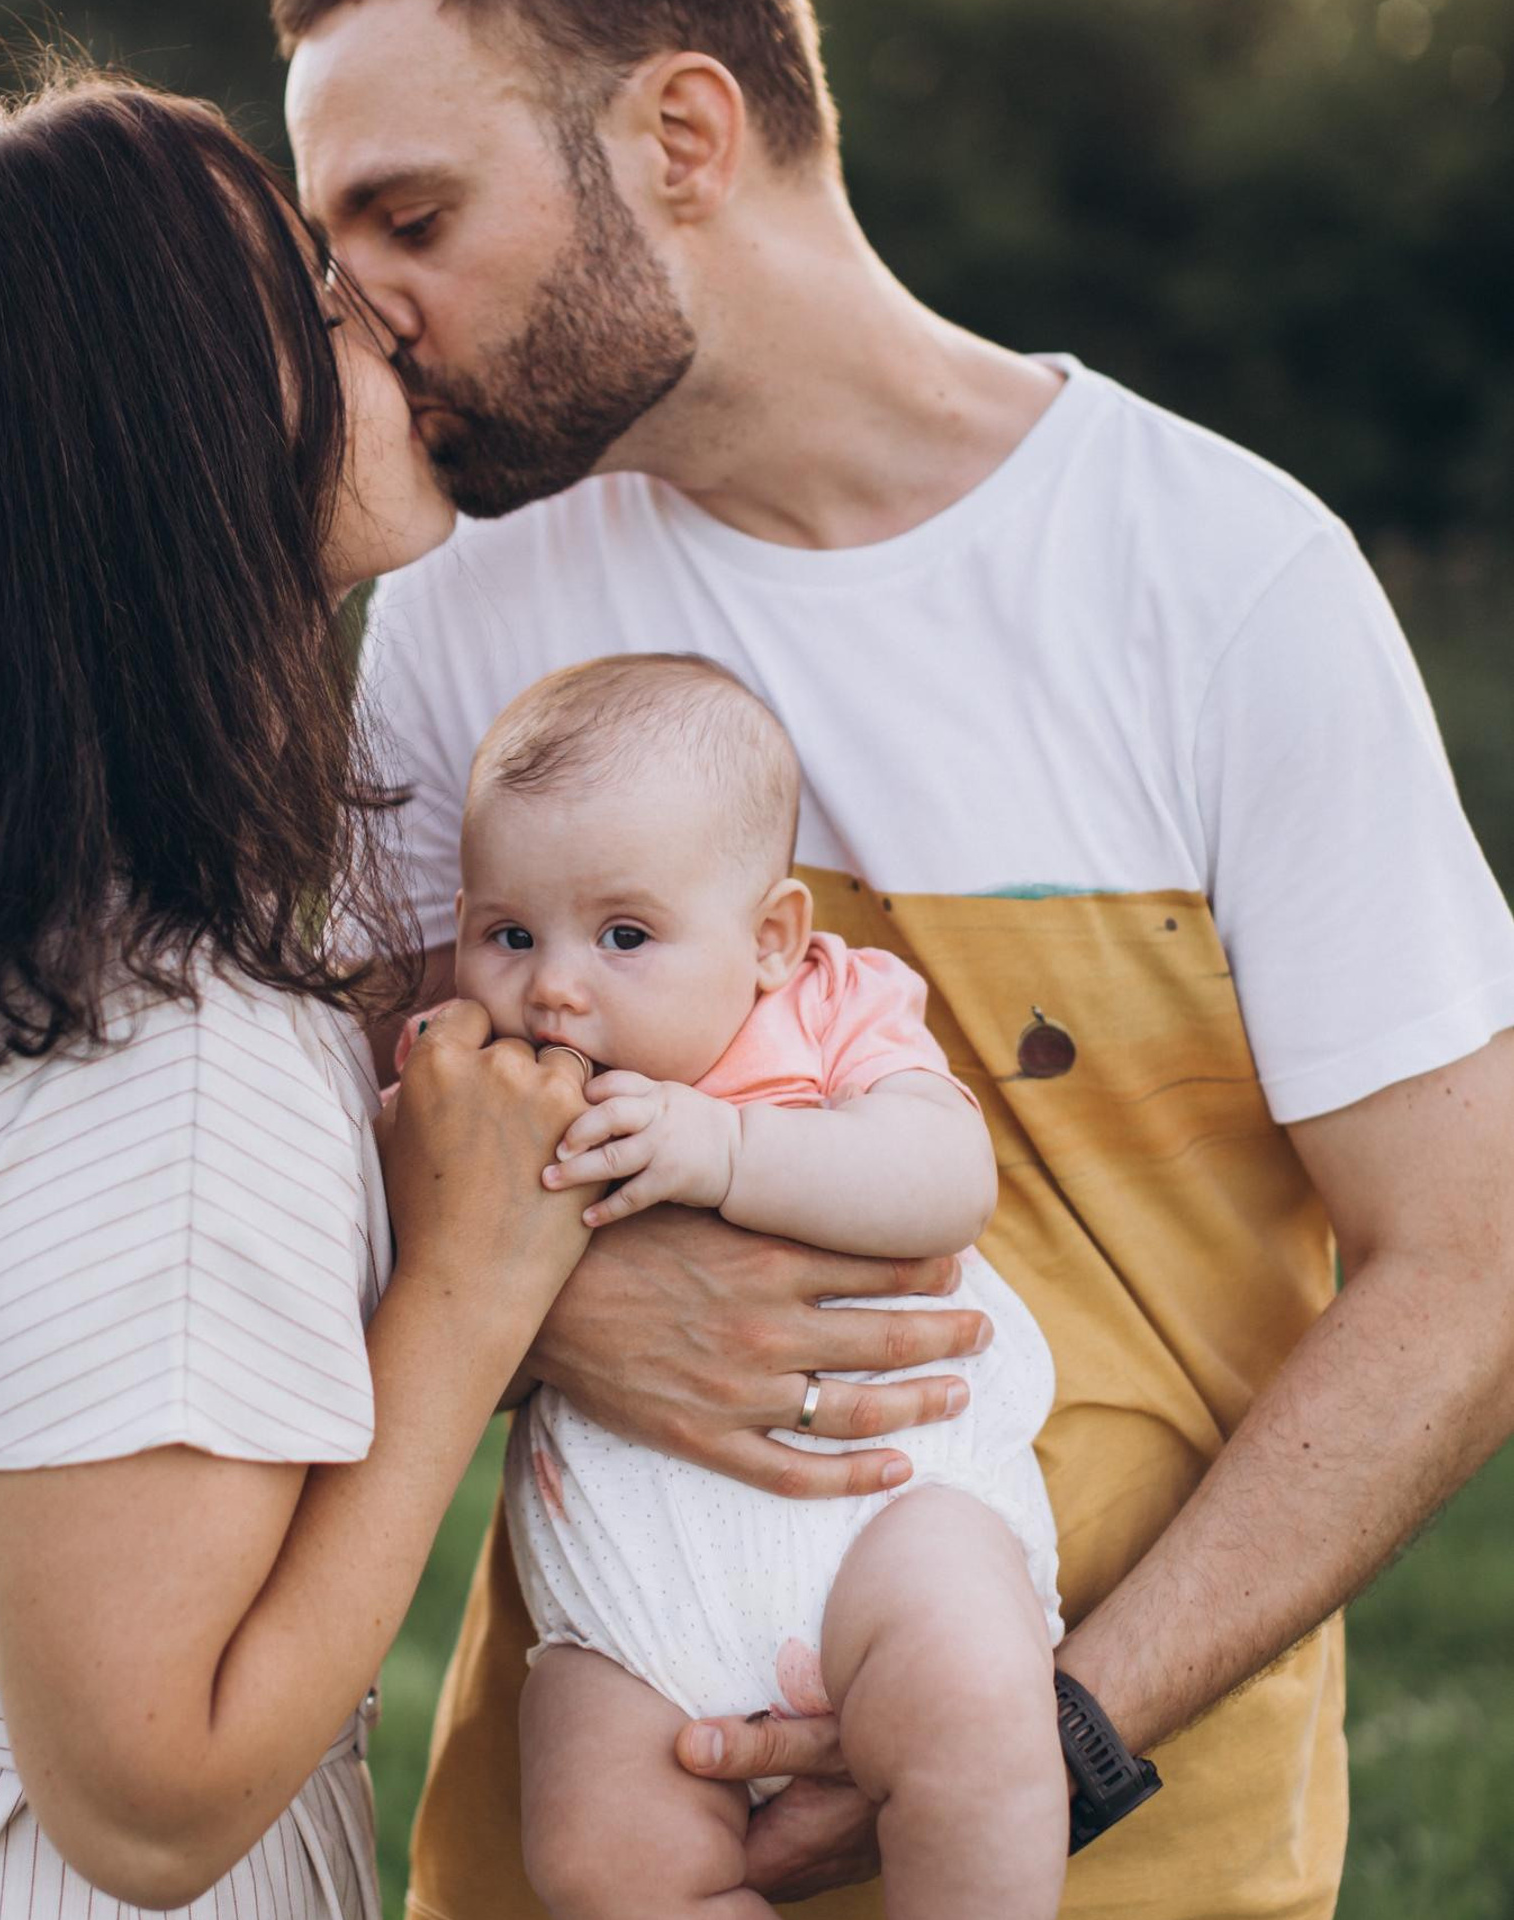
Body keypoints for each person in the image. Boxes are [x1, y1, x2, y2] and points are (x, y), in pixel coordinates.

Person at [274, 1, 1514, 1915]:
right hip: (609, 1821)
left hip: (1126, 1848)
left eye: (411, 222)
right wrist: (558, 1306)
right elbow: (326, 1150)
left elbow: (1474, 1261)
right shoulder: (462, 600)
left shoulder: (1225, 580)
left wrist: (1058, 1728)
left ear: (683, 137)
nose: (356, 314)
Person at [0, 64, 599, 1920]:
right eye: (307, 296)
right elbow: (150, 1798)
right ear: (172, 442)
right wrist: (465, 1299)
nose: (376, 309)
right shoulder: (161, 1061)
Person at [407, 652, 1069, 1919]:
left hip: (889, 1517)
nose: (555, 984)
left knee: (978, 1713)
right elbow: (408, 1281)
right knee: (602, 1851)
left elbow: (947, 1178)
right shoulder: (475, 1081)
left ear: (771, 942)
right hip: (634, 1594)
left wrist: (729, 1149)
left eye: (624, 936)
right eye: (507, 933)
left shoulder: (829, 1016)